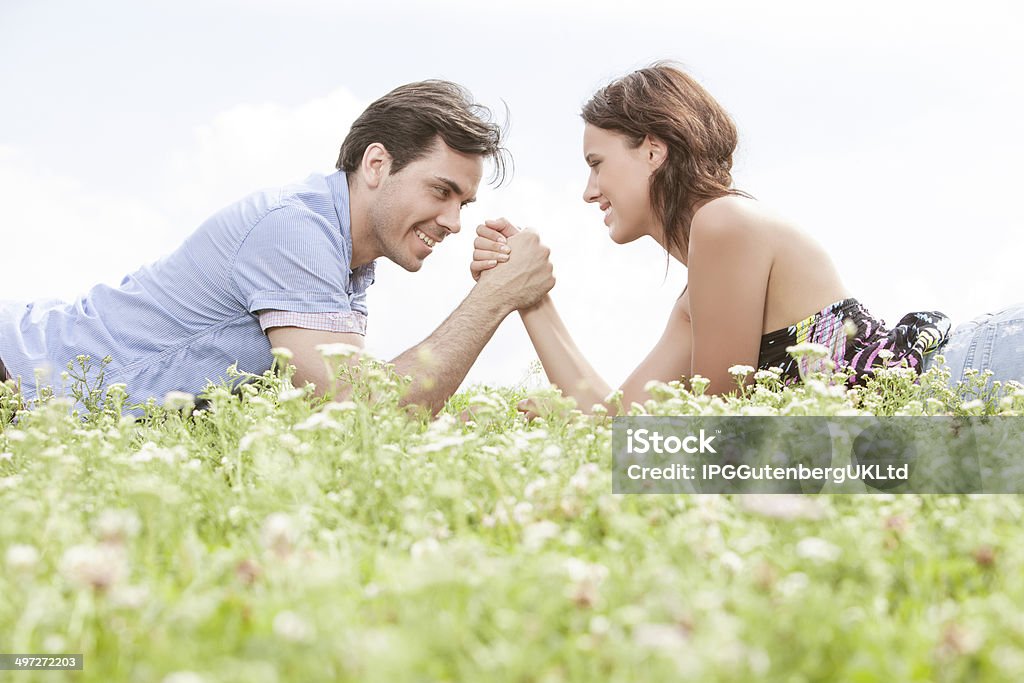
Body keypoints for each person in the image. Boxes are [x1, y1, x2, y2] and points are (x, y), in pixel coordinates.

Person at [471, 62, 1024, 413]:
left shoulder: (723, 223)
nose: (590, 191)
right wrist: (529, 297)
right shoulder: (699, 294)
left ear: (652, 150)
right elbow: (619, 423)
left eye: (597, 163)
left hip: (980, 370)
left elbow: (710, 421)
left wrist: (561, 423)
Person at [0, 80, 555, 416]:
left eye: (465, 203)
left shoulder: (347, 264)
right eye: (442, 191)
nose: (455, 221)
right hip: (15, 379)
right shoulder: (296, 231)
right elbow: (363, 413)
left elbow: (324, 412)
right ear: (377, 164)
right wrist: (497, 297)